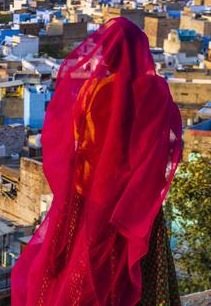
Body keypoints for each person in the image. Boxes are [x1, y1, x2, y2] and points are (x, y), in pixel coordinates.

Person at [11, 17, 183, 306]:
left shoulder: (94, 91)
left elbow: (78, 144)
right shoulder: (155, 93)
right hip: (135, 200)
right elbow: (166, 146)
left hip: (92, 193)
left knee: (83, 264)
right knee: (131, 263)